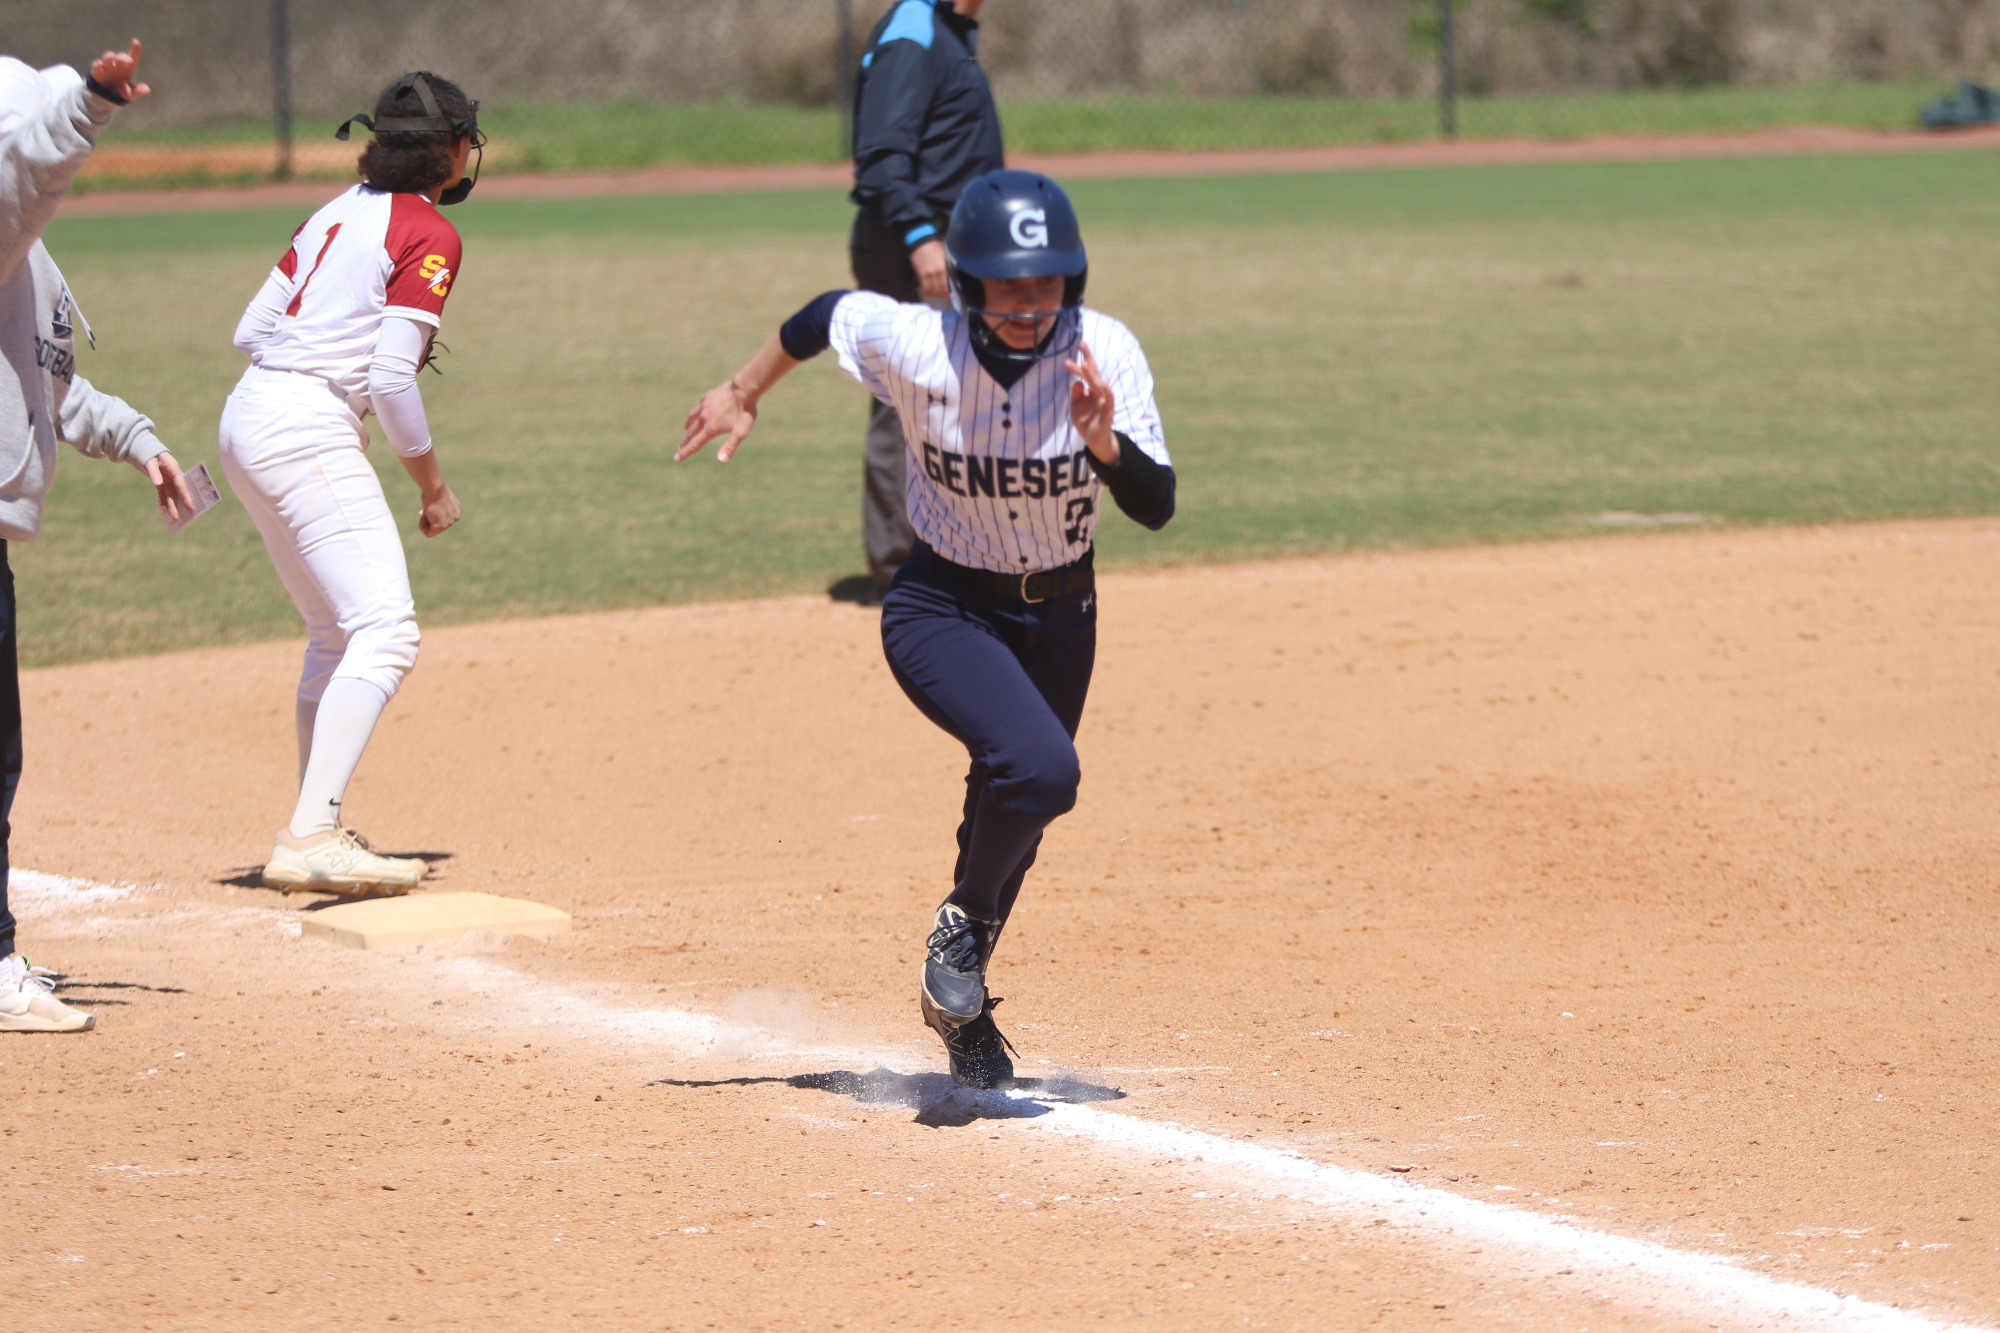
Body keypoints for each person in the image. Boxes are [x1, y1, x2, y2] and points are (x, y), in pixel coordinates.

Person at [680, 170, 1175, 1087]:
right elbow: (825, 314)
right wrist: (742, 388)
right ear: (969, 282)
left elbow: (1157, 506)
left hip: (1063, 613)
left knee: (1014, 801)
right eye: (1008, 284)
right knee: (1041, 769)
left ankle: (961, 997)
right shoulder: (915, 341)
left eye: (1049, 282)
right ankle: (964, 932)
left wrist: (1106, 444)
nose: (1030, 304)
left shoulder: (1104, 354)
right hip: (941, 603)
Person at [222, 72, 483, 895]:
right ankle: (310, 832)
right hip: (303, 426)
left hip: (249, 418)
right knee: (387, 630)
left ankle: (314, 819)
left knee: (335, 634)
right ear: (448, 150)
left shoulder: (332, 212)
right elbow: (392, 379)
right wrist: (431, 486)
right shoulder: (427, 232)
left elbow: (251, 330)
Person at [0, 41, 199, 1034]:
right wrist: (86, 108)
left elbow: (55, 387)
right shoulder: (7, 221)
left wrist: (138, 440)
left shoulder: (27, 264)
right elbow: (24, 171)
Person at [849, 0, 1004, 596]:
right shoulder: (914, 29)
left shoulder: (949, 32)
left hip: (953, 245)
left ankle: (955, 550)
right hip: (911, 245)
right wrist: (920, 236)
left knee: (962, 397)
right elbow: (884, 154)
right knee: (905, 397)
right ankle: (899, 567)